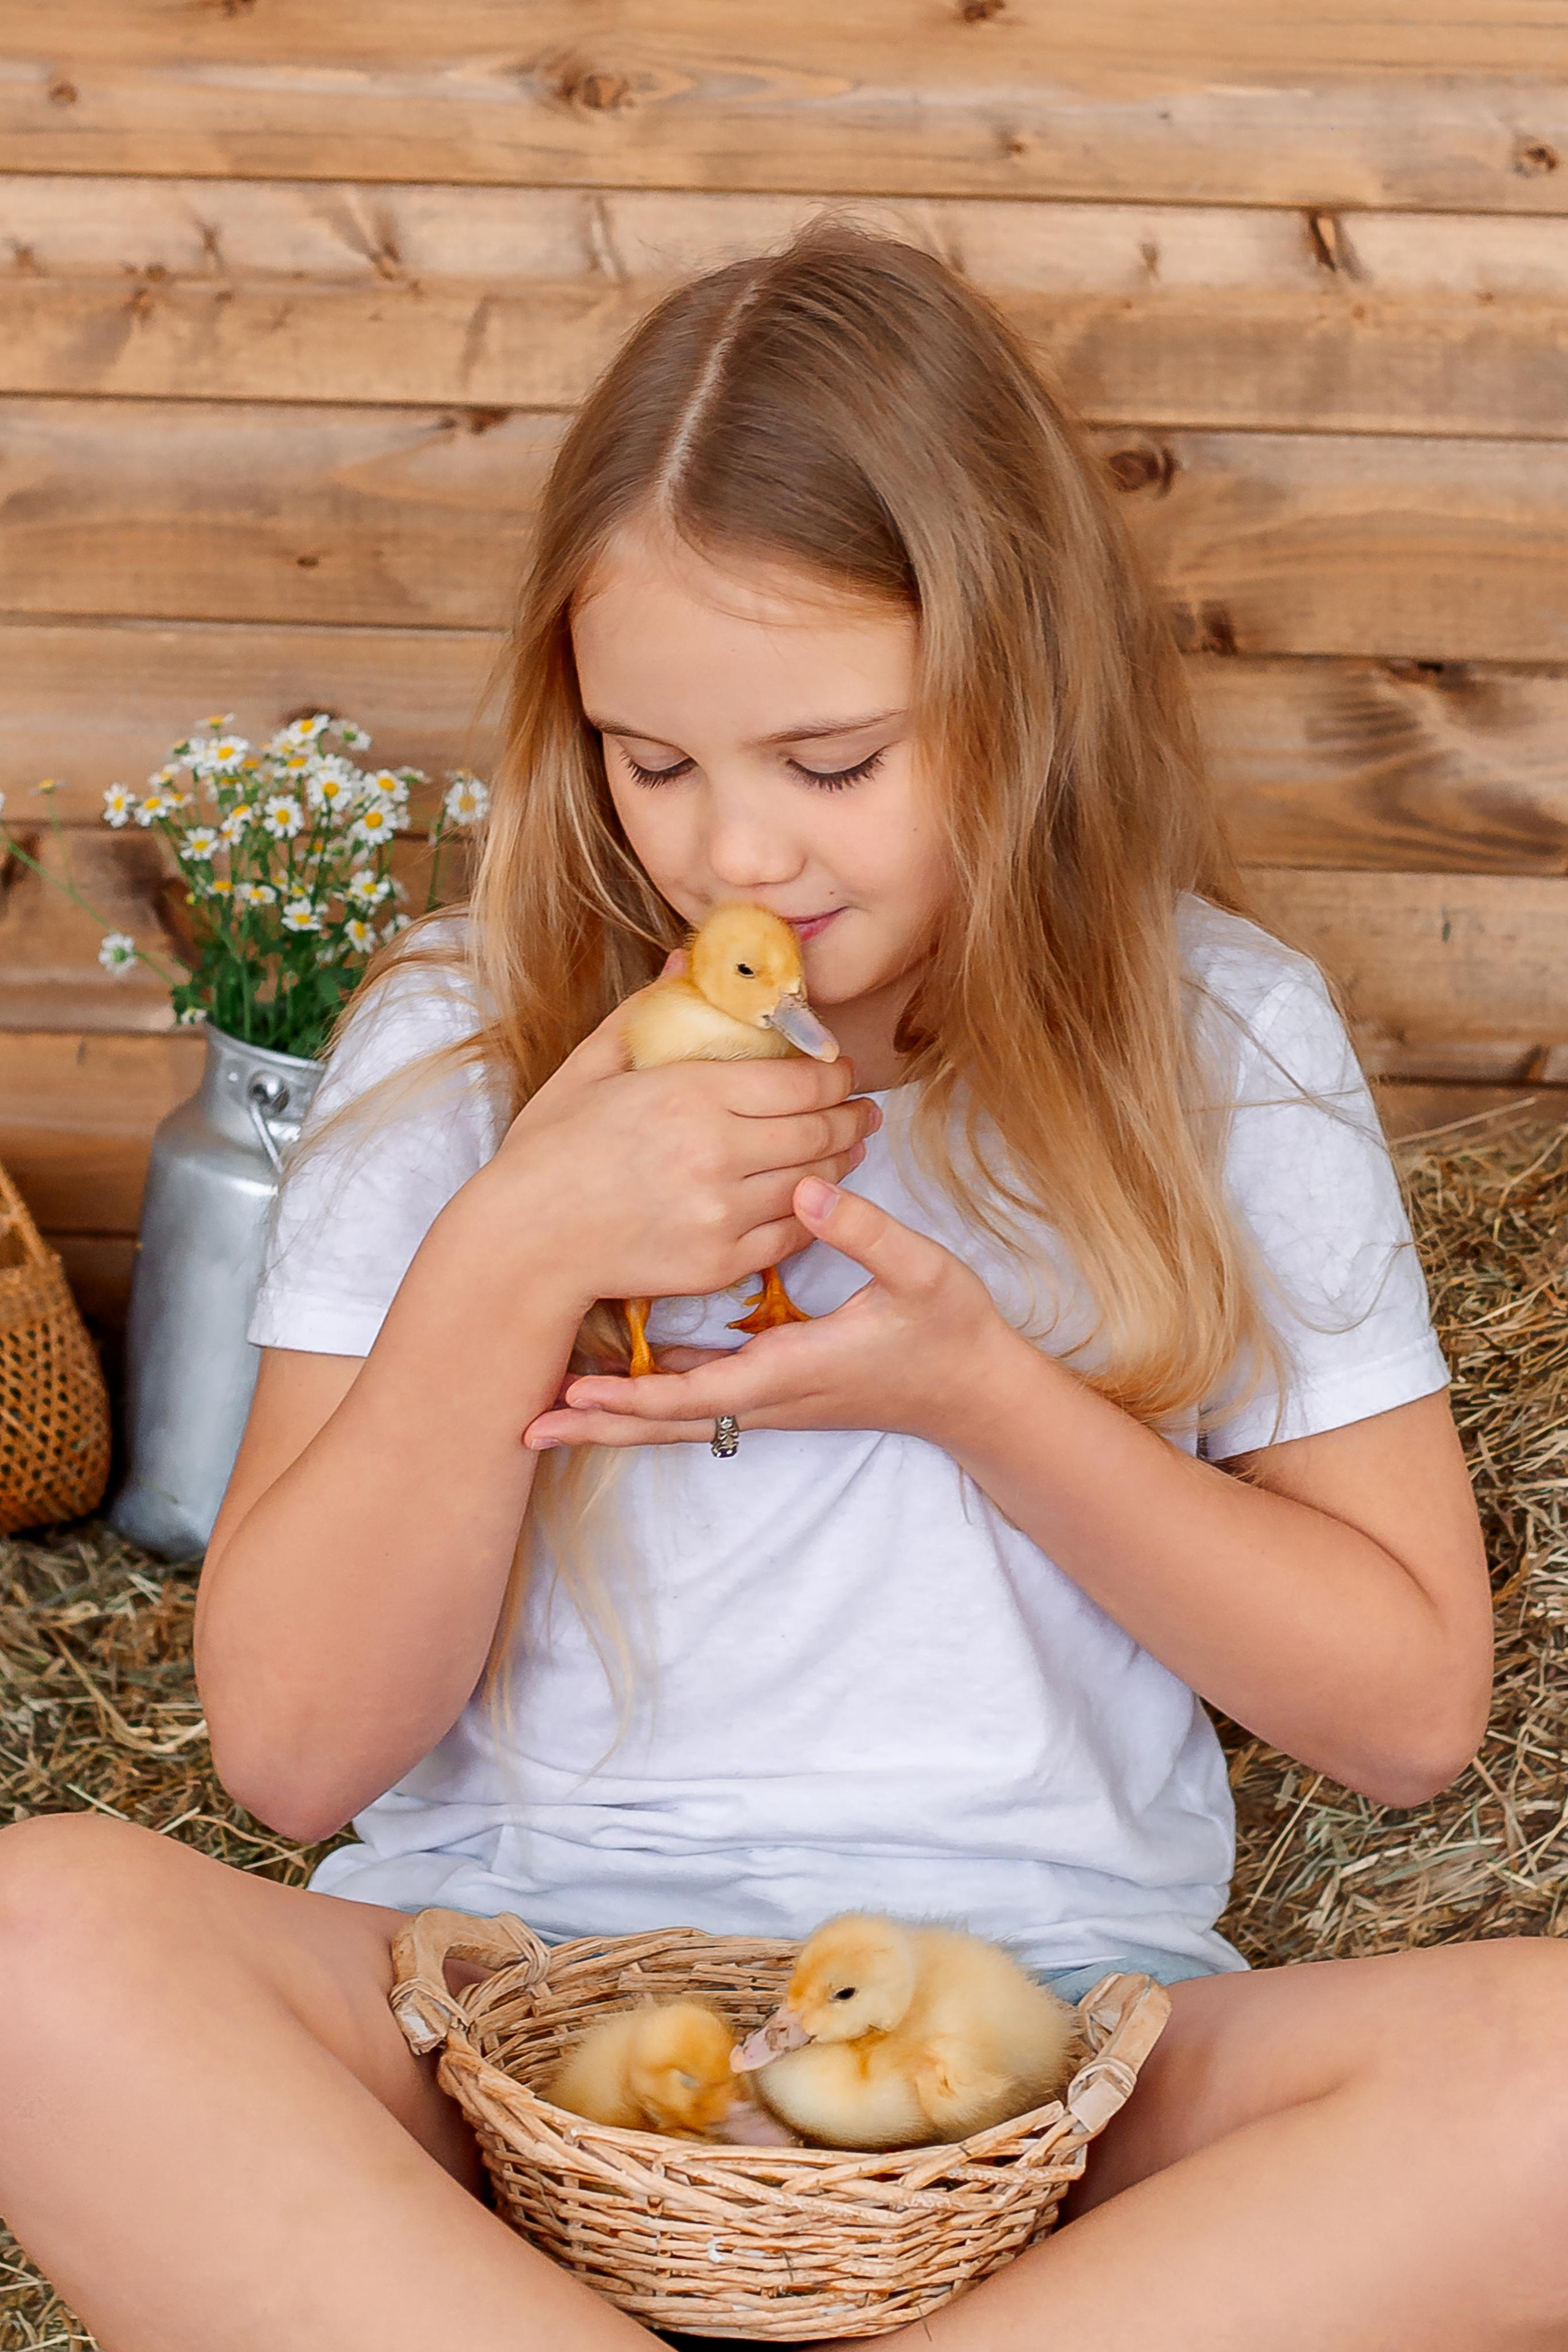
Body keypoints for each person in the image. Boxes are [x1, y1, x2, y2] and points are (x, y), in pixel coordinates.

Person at [1, 224, 1560, 2352]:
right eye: (657, 763)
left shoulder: (1222, 1041)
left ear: (1031, 692)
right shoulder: (462, 1045)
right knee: (35, 1947)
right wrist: (515, 1253)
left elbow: (1405, 1715)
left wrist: (982, 1398)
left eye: (834, 762)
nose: (742, 861)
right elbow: (287, 1755)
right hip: (481, 2019)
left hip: (1049, 2057)